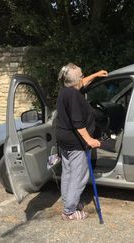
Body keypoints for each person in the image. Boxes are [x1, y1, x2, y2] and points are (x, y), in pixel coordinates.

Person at [56, 63, 108, 220]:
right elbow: (78, 123)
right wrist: (90, 140)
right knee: (78, 177)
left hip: (65, 140)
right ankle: (69, 211)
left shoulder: (66, 90)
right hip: (76, 143)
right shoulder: (74, 96)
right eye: (81, 75)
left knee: (68, 173)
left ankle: (68, 201)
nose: (83, 77)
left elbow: (83, 82)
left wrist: (96, 74)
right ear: (75, 80)